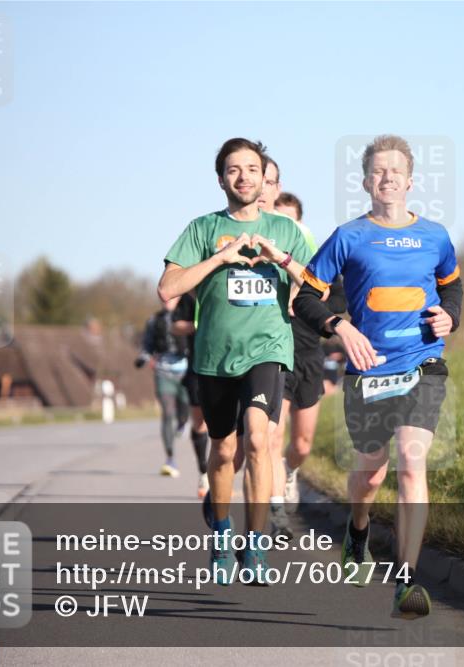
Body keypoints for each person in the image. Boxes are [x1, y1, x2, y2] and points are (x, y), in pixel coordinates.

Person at [293, 134, 463, 619]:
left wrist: (451, 315)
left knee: (412, 462)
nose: (387, 177)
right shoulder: (348, 236)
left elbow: (453, 286)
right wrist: (339, 327)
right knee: (369, 474)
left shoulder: (435, 235)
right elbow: (306, 297)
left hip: (422, 362)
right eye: (377, 171)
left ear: (411, 181)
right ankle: (359, 527)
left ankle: (406, 581)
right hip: (367, 370)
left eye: (395, 171)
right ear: (366, 180)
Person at [158, 138, 311, 585]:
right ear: (221, 178)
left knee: (260, 441)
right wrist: (219, 258)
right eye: (233, 169)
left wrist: (278, 258)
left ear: (265, 177)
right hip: (214, 356)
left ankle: (256, 543)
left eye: (251, 168)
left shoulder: (285, 231)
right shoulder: (202, 228)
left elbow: (315, 287)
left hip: (268, 350)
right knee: (224, 450)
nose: (243, 176)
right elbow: (168, 288)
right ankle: (222, 536)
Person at [267, 191, 346, 521]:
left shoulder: (318, 268)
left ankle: (288, 472)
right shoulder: (262, 266)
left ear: (301, 227)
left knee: (301, 444)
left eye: (292, 222)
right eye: (279, 220)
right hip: (273, 355)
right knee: (271, 435)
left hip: (309, 355)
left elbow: (336, 304)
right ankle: (274, 510)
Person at [136, 297, 191, 478]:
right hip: (163, 372)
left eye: (172, 297)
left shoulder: (189, 315)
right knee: (167, 413)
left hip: (186, 372)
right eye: (164, 298)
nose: (167, 301)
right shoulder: (154, 320)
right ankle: (170, 458)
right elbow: (147, 344)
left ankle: (182, 423)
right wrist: (144, 357)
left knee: (184, 412)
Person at [170, 293, 212, 497]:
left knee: (228, 426)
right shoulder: (190, 295)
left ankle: (221, 473)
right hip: (197, 365)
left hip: (227, 363)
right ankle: (204, 471)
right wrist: (197, 325)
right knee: (200, 424)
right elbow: (174, 325)